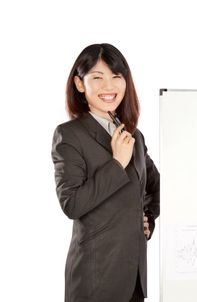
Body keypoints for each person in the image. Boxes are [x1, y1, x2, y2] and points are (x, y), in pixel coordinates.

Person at [51, 43, 160, 302]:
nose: (108, 86)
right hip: (95, 280)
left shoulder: (133, 135)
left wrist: (147, 218)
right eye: (97, 78)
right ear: (80, 84)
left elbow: (157, 187)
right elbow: (72, 204)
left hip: (134, 277)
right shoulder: (69, 135)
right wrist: (116, 164)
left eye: (116, 76)